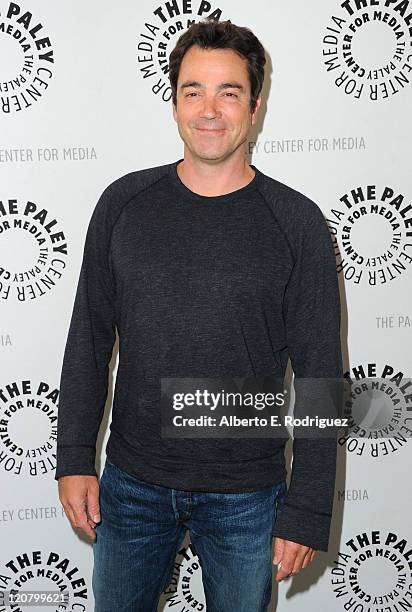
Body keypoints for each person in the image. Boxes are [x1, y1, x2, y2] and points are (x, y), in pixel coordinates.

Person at [56, 18, 344, 612]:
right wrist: (74, 458)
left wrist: (309, 509)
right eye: (194, 91)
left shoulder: (298, 223)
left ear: (255, 106)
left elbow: (321, 377)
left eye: (229, 92)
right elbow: (88, 340)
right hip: (131, 487)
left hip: (248, 496)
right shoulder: (123, 204)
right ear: (174, 102)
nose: (209, 110)